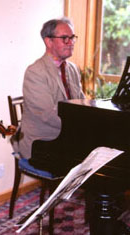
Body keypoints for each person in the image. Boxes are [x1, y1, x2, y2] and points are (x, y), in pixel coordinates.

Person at [12, 17, 85, 175]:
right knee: (86, 163)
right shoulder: (35, 71)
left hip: (65, 139)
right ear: (48, 41)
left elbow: (82, 102)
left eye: (72, 38)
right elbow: (46, 115)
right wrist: (79, 129)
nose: (70, 42)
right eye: (65, 38)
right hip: (42, 143)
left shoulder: (72, 69)